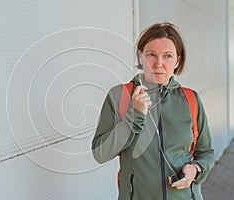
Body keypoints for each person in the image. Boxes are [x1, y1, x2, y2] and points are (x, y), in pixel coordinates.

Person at [91, 22, 214, 200]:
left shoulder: (190, 99)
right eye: (151, 55)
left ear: (177, 61)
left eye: (167, 56)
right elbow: (101, 153)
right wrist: (135, 116)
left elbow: (206, 152)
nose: (158, 64)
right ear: (141, 57)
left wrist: (195, 169)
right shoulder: (120, 96)